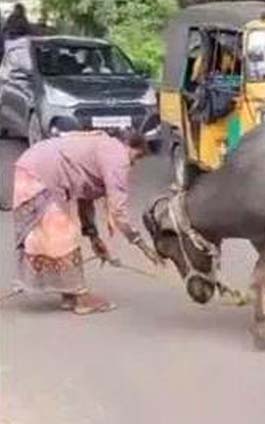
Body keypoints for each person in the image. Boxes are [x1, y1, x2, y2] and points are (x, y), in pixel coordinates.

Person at [10, 129, 161, 314]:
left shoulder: (101, 147)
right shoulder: (117, 156)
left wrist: (94, 237)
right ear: (131, 147)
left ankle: (69, 293)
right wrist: (142, 245)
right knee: (61, 236)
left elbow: (84, 200)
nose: (133, 164)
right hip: (41, 176)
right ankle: (80, 297)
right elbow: (118, 210)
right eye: (136, 158)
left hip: (33, 166)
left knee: (56, 234)